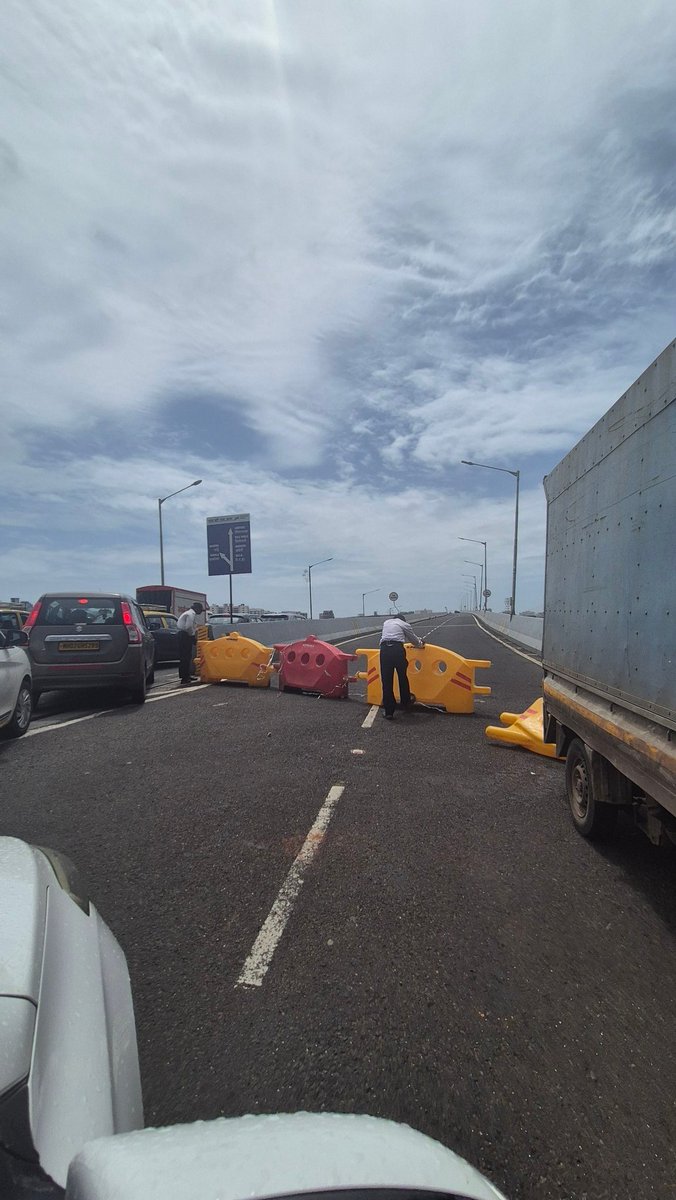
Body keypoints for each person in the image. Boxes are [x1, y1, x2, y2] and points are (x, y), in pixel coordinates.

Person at [379, 613, 425, 719]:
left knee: (386, 680)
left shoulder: (386, 622)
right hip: (397, 649)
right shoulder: (404, 624)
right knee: (402, 676)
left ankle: (389, 711)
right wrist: (420, 643)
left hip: (384, 650)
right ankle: (405, 703)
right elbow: (413, 640)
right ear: (403, 620)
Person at [177, 602, 204, 686]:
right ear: (196, 608)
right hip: (185, 635)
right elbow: (188, 627)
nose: (201, 612)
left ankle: (186, 675)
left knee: (186, 656)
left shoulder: (189, 613)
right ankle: (184, 678)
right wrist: (192, 636)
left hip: (183, 635)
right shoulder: (190, 614)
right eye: (200, 610)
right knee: (185, 657)